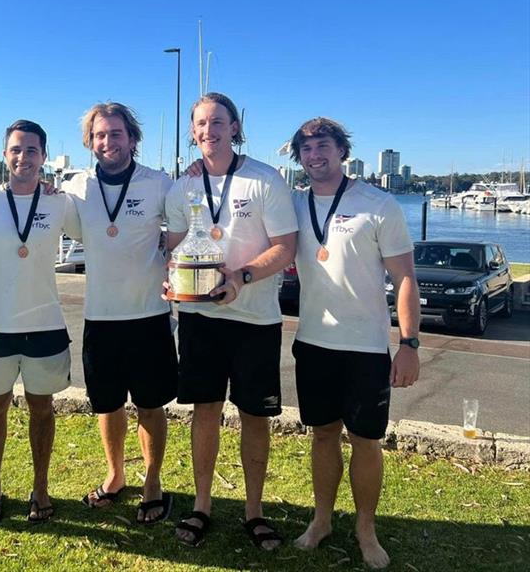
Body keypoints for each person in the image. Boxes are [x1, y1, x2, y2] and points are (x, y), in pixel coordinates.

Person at [166, 92, 298, 549]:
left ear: (235, 127)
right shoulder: (183, 187)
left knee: (254, 415)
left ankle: (254, 510)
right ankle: (201, 505)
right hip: (200, 318)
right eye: (200, 124)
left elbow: (286, 247)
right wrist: (174, 280)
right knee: (204, 411)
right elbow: (176, 245)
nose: (209, 131)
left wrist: (242, 276)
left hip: (255, 320)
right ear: (192, 131)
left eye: (218, 122)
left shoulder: (265, 179)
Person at [288, 117, 420, 569]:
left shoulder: (378, 204)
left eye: (323, 145)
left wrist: (409, 344)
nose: (314, 155)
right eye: (306, 149)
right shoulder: (292, 204)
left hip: (365, 348)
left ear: (342, 150)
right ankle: (322, 520)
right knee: (322, 435)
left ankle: (366, 528)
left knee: (366, 440)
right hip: (312, 343)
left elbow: (405, 277)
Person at [63, 102, 178, 524]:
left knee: (151, 405)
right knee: (107, 406)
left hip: (149, 316)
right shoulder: (77, 187)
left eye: (116, 134)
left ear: (132, 138)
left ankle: (152, 481)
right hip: (100, 317)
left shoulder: (159, 183)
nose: (108, 142)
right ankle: (115, 476)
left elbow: (188, 224)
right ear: (89, 141)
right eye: (99, 135)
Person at [0, 120, 79, 524]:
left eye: (31, 150)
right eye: (15, 149)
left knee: (42, 410)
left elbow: (100, 232)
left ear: (44, 157)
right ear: (4, 154)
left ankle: (41, 487)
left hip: (45, 324)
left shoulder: (60, 202)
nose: (23, 157)